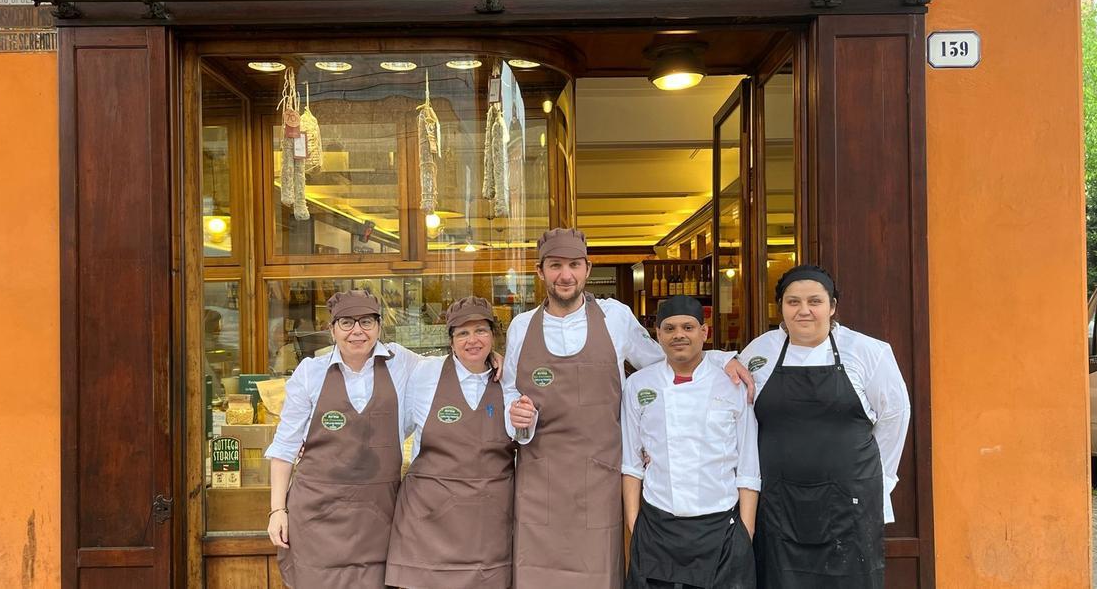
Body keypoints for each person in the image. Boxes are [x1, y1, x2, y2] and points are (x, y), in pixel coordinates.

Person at [504, 227, 755, 589]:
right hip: (539, 479)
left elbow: (661, 359)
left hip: (600, 480)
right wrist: (517, 417)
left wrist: (719, 359)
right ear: (539, 271)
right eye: (555, 265)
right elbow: (511, 390)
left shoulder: (615, 318)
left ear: (588, 269)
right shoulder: (520, 327)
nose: (565, 275)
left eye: (574, 265)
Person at [740, 265, 911, 589]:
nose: (803, 310)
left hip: (849, 503)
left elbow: (895, 416)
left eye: (814, 301)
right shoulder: (761, 350)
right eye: (793, 302)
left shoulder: (868, 352)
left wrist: (878, 480)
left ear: (832, 306)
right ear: (781, 307)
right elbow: (733, 405)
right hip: (778, 504)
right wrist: (723, 360)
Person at [263, 289, 421, 589]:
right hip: (317, 517)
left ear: (379, 326)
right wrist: (277, 510)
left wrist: (494, 356)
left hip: (379, 518)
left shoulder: (402, 363)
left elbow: (455, 364)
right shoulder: (310, 372)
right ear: (332, 328)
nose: (357, 331)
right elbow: (284, 448)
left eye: (366, 322)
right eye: (347, 322)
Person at [622, 294, 761, 589]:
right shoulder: (638, 385)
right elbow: (631, 466)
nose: (679, 335)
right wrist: (635, 526)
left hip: (720, 527)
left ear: (704, 332)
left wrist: (745, 533)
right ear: (658, 334)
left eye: (688, 327)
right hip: (657, 527)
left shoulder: (734, 384)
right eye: (669, 328)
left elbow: (749, 467)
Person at [385, 296, 517, 588]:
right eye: (462, 333)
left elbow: (523, 434)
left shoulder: (511, 378)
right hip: (428, 521)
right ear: (451, 340)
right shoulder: (423, 373)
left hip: (487, 525)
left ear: (493, 335)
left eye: (481, 331)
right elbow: (392, 429)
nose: (472, 340)